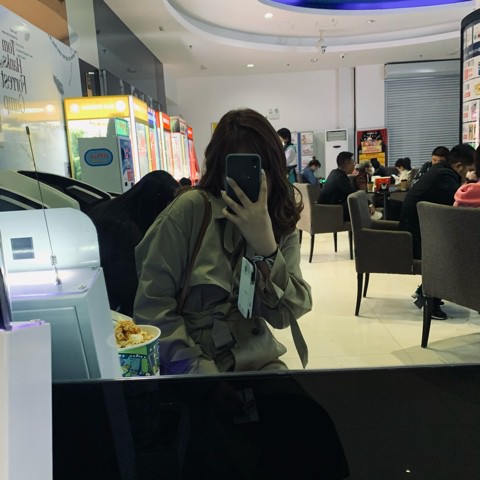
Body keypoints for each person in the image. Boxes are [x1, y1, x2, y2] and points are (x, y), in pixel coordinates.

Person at [134, 108, 312, 375]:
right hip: (191, 365)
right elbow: (153, 308)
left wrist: (267, 249)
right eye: (237, 168)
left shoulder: (279, 219)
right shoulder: (190, 211)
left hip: (258, 359)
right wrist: (203, 377)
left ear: (274, 167)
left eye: (259, 167)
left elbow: (286, 315)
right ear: (219, 167)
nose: (249, 179)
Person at [87, 170, 179, 317]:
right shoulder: (124, 229)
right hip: (108, 310)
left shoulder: (110, 209)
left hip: (94, 299)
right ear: (154, 202)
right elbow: (132, 292)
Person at [399, 144, 475, 319]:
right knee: (456, 251)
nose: (470, 173)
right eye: (469, 169)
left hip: (417, 231)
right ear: (459, 166)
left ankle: (427, 292)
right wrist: (470, 183)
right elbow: (457, 205)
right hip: (415, 238)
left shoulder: (441, 171)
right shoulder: (445, 176)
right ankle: (429, 298)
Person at [319, 151, 356, 220]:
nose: (354, 165)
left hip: (326, 208)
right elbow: (352, 193)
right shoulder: (340, 177)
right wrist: (368, 203)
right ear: (347, 165)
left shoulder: (335, 173)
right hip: (331, 211)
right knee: (355, 204)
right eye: (353, 163)